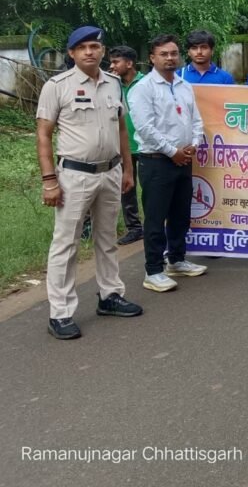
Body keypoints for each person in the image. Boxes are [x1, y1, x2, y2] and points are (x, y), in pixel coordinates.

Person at [36, 26, 143, 339]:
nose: (89, 52)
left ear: (103, 51)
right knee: (66, 244)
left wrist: (127, 170)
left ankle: (110, 295)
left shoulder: (113, 83)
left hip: (110, 172)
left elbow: (121, 128)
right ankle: (60, 313)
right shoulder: (57, 86)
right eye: (82, 47)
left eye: (94, 46)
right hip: (74, 175)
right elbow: (43, 134)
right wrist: (49, 181)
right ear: (71, 53)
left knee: (107, 238)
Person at [129, 34, 208, 293]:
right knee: (156, 217)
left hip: (183, 159)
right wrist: (172, 151)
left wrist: (194, 143)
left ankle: (176, 259)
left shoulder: (185, 85)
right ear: (152, 58)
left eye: (174, 53)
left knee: (180, 214)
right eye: (164, 54)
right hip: (156, 162)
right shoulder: (143, 88)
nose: (170, 58)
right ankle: (153, 270)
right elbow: (145, 127)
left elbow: (196, 120)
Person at [108, 46, 145, 246]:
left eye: (116, 62)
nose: (112, 66)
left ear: (129, 63)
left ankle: (154, 224)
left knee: (149, 189)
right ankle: (134, 228)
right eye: (111, 62)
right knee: (126, 189)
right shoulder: (111, 85)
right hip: (123, 146)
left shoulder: (146, 83)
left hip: (146, 146)